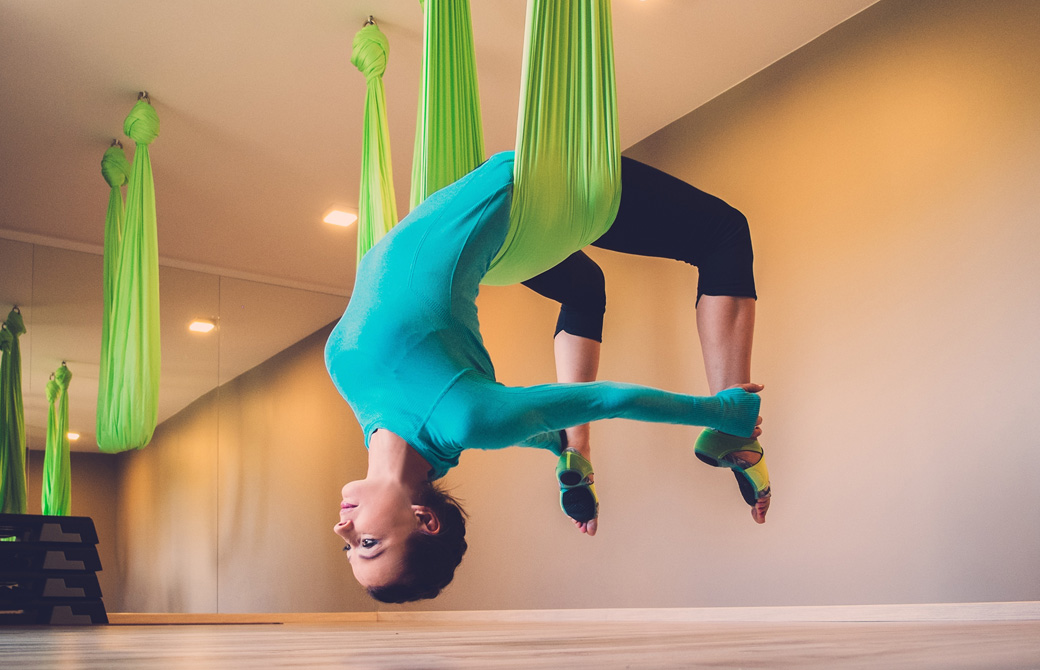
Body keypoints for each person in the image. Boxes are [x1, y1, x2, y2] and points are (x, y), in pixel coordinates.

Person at [327, 151, 767, 603]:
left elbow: (486, 425)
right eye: (367, 543)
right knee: (724, 233)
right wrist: (716, 411)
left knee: (584, 288)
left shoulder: (386, 414)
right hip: (534, 186)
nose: (343, 526)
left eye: (349, 546)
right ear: (425, 520)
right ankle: (730, 428)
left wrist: (555, 444)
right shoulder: (468, 420)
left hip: (504, 232)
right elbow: (607, 399)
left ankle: (576, 447)